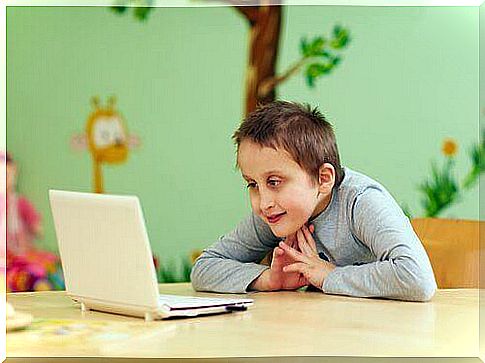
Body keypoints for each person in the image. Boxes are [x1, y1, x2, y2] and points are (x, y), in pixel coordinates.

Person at [191, 101, 436, 302]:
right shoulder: (275, 212)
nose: (263, 202)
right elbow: (204, 268)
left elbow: (417, 278)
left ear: (323, 179)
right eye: (252, 184)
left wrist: (328, 276)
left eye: (274, 182)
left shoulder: (361, 202)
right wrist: (268, 279)